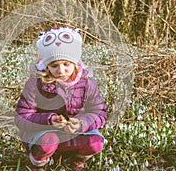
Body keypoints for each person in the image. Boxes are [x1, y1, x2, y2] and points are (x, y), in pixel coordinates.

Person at [14, 27, 107, 171]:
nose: (61, 70)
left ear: (75, 62)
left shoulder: (87, 82)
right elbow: (22, 117)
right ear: (46, 65)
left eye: (66, 64)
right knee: (48, 141)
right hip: (44, 133)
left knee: (96, 142)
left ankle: (76, 161)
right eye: (54, 65)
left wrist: (82, 124)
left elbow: (99, 112)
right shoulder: (36, 83)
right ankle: (38, 164)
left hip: (74, 132)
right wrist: (49, 120)